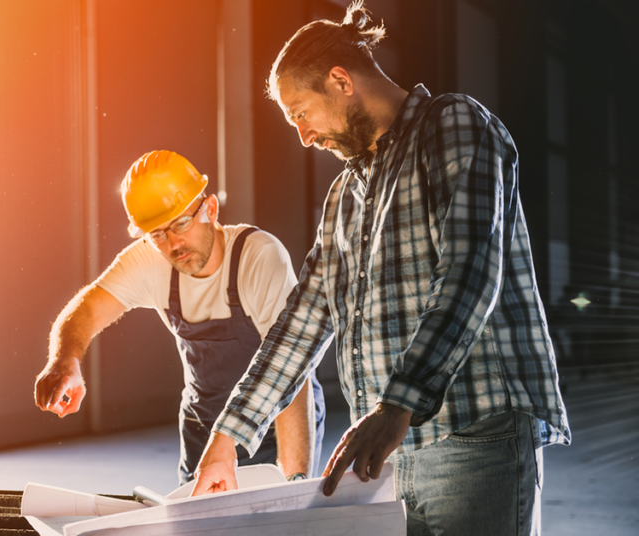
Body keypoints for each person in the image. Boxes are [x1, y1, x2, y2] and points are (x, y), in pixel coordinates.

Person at [189, 2, 570, 535]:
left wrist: (399, 405)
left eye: (301, 112)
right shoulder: (346, 194)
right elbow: (301, 322)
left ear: (340, 80)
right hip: (388, 452)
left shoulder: (454, 126)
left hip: (474, 440)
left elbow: (468, 275)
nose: (303, 135)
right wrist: (228, 437)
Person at [34, 150, 325, 485]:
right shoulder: (150, 260)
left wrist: (293, 482)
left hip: (275, 426)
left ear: (211, 209)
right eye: (157, 234)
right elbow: (86, 307)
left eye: (182, 223)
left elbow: (291, 372)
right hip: (203, 428)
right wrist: (64, 358)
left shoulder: (258, 257)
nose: (173, 243)